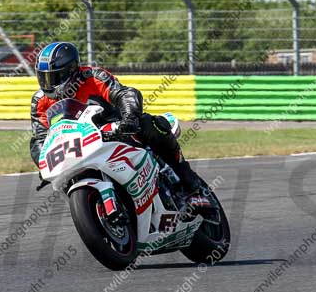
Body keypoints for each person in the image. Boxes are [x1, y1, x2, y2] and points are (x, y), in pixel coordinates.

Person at [29, 42, 209, 208]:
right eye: (44, 78)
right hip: (78, 147)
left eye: (54, 77)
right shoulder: (40, 101)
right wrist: (43, 163)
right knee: (64, 180)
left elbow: (125, 94)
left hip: (115, 130)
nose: (48, 84)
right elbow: (41, 140)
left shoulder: (93, 77)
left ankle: (191, 184)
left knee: (150, 124)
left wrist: (129, 118)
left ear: (71, 70)